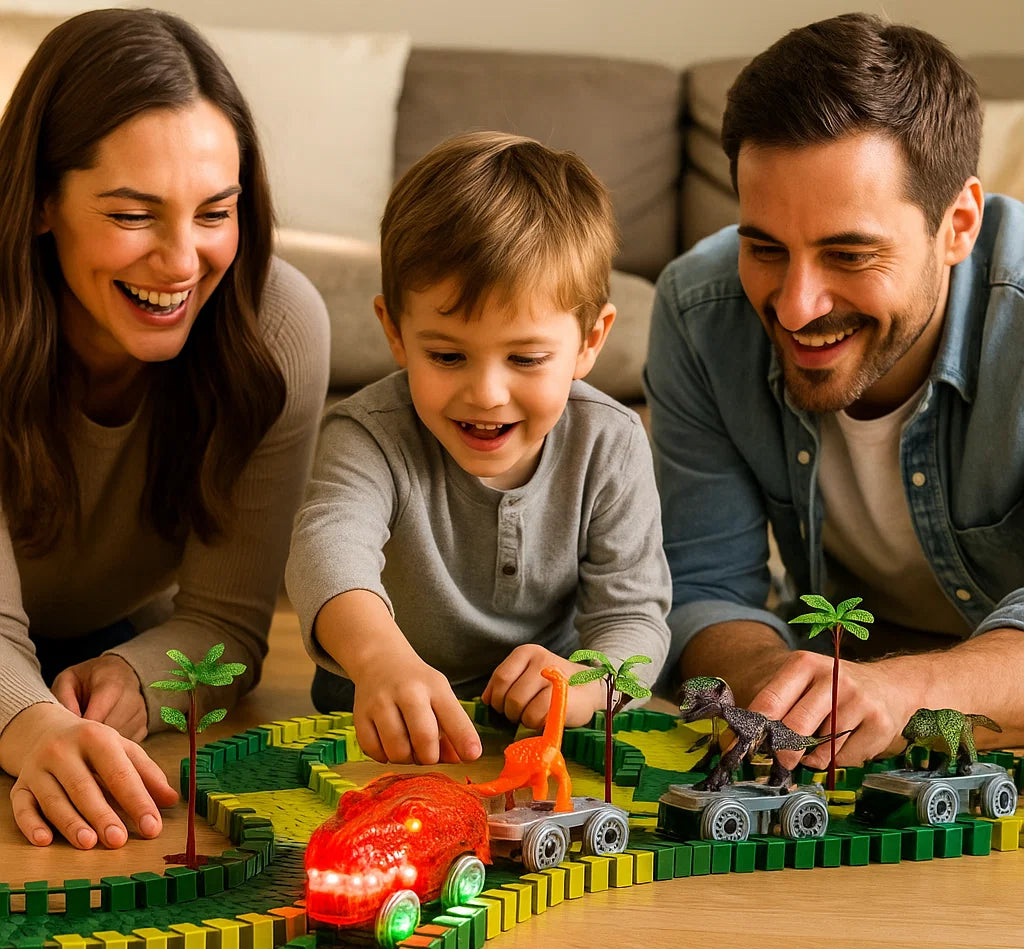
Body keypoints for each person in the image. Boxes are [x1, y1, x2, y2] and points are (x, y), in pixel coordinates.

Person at [645, 13, 1024, 769]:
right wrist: (779, 696)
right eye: (765, 249)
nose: (795, 305)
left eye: (848, 253)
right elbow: (703, 585)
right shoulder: (698, 312)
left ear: (959, 225)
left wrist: (901, 693)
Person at [0, 9, 330, 849]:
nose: (183, 262)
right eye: (133, 215)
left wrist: (139, 680)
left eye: (214, 212)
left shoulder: (278, 324)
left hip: (98, 637)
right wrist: (32, 724)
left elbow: (225, 622)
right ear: (41, 202)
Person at [287, 131, 671, 766]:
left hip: (539, 730)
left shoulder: (612, 441)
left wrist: (587, 687)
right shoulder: (367, 433)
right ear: (394, 332)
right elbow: (327, 550)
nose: (487, 394)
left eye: (525, 357)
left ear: (589, 341)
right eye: (446, 356)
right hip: (377, 724)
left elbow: (635, 620)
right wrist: (382, 660)